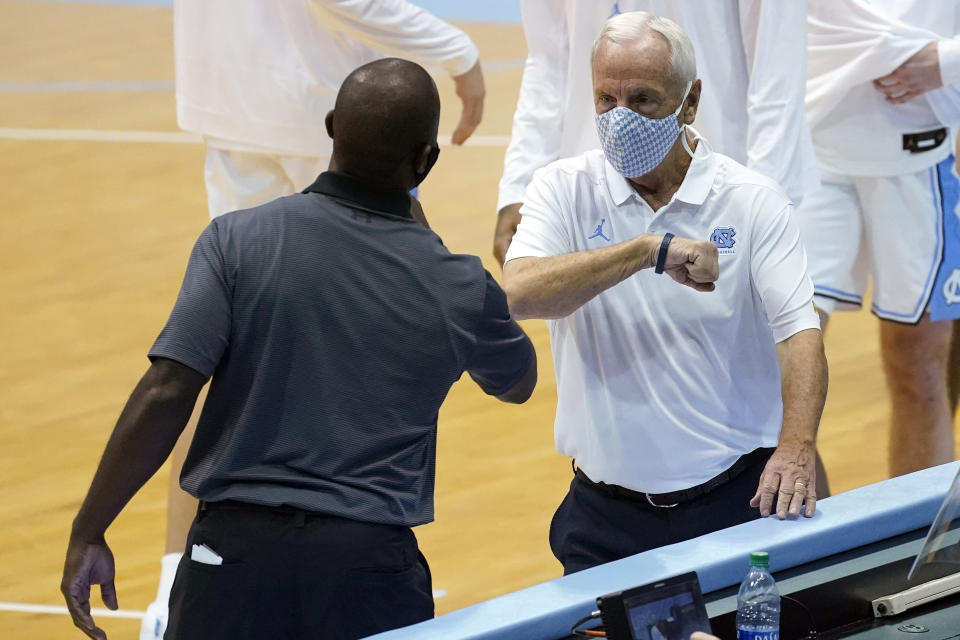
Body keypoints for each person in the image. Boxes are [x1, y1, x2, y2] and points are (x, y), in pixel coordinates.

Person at [61, 58, 537, 640]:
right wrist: (429, 248)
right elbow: (518, 382)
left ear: (332, 126)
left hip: (229, 561)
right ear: (426, 161)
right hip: (369, 573)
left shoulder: (235, 240)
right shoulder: (457, 284)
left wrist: (90, 528)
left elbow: (166, 390)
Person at [141, 3, 487, 637]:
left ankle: (170, 579)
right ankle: (350, 543)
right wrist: (455, 49)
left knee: (216, 352)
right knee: (383, 320)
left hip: (230, 102)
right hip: (317, 108)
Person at [501, 13, 827, 574]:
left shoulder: (751, 200)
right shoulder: (562, 189)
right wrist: (646, 249)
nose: (620, 118)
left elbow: (800, 334)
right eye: (606, 99)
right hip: (603, 520)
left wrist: (796, 447)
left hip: (734, 504)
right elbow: (521, 293)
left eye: (644, 100)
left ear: (691, 100)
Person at [801, 0, 960, 478]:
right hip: (810, 155)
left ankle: (922, 548)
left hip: (922, 162)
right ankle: (786, 548)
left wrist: (949, 62)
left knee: (919, 371)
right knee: (781, 367)